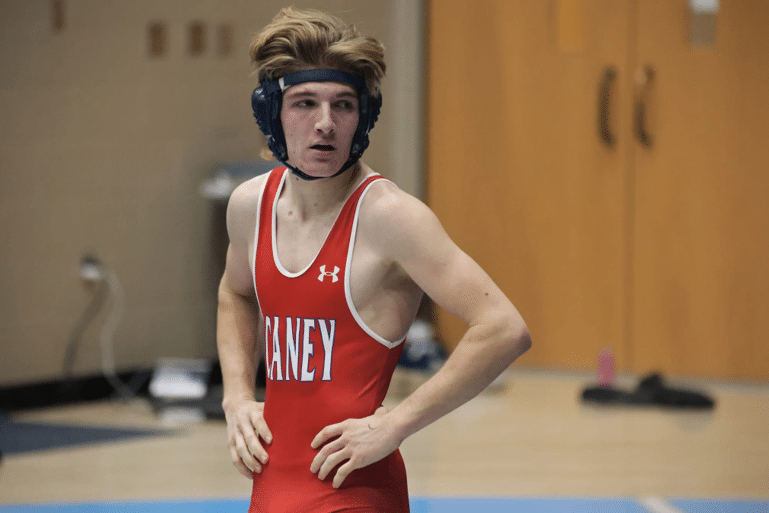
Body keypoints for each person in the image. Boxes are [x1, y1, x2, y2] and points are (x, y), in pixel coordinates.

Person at [216, 7, 532, 512]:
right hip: (272, 485)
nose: (325, 124)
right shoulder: (249, 206)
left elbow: (503, 328)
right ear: (270, 112)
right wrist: (236, 395)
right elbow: (235, 293)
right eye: (305, 103)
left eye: (343, 105)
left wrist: (396, 423)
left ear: (364, 115)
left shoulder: (391, 217)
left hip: (356, 491)